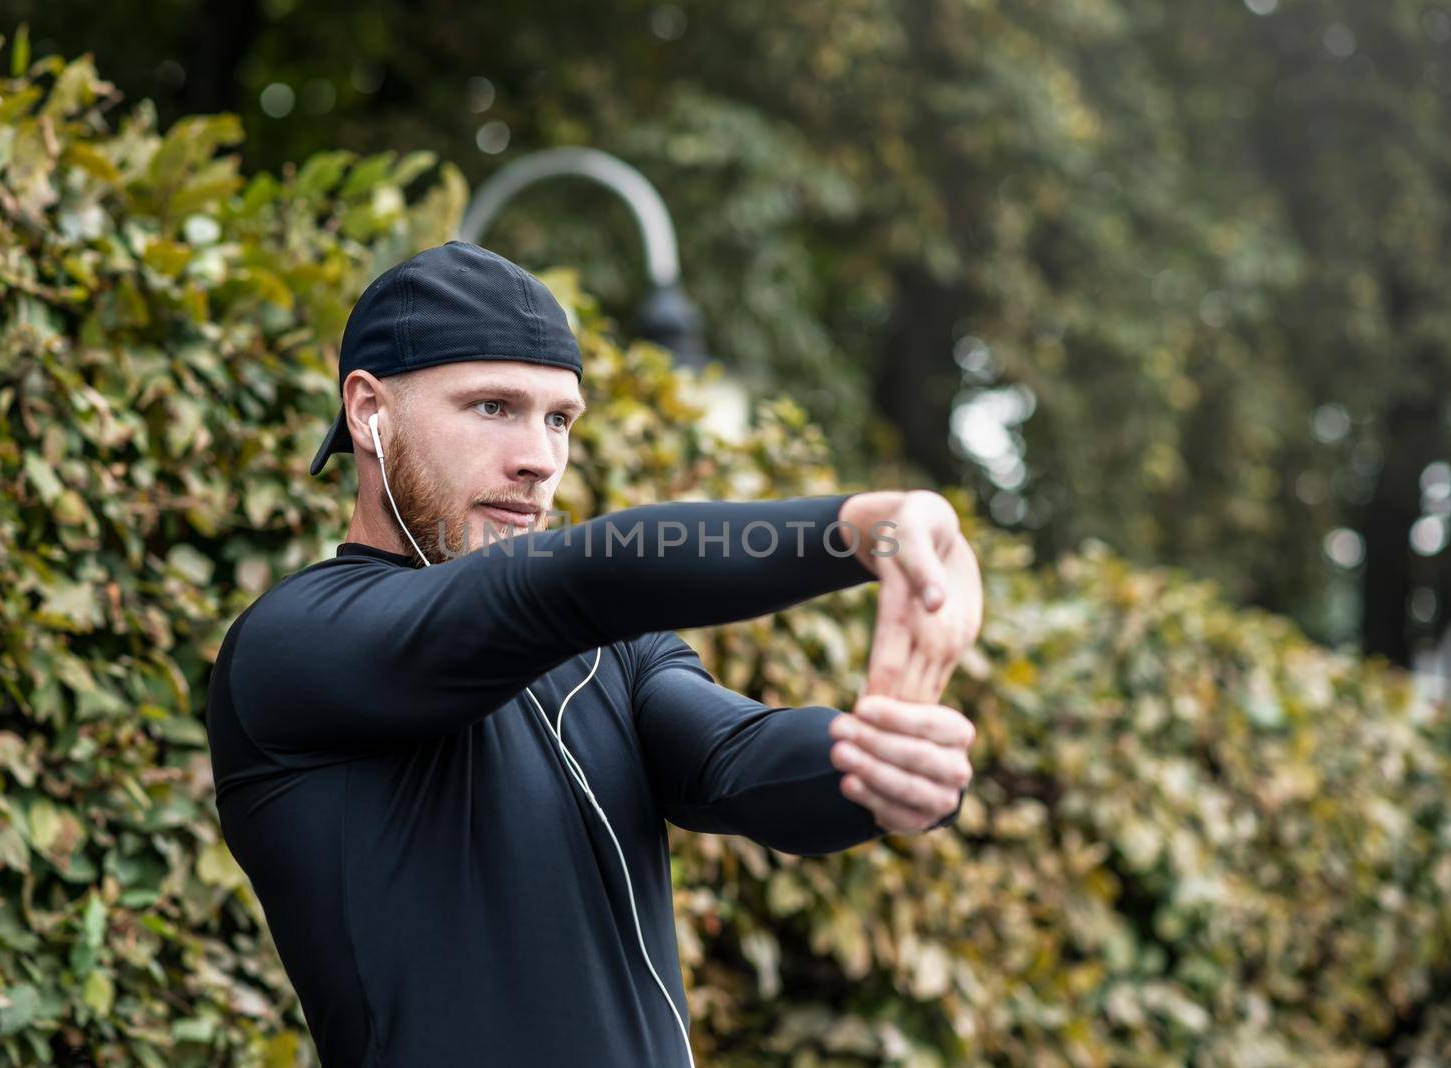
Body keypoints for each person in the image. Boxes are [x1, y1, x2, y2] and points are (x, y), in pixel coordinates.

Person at [204, 240, 984, 1067]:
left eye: (559, 418)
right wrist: (860, 528)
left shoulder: (618, 654)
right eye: (493, 407)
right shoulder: (292, 646)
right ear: (368, 411)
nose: (539, 459)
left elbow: (737, 760)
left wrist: (880, 768)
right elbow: (577, 581)